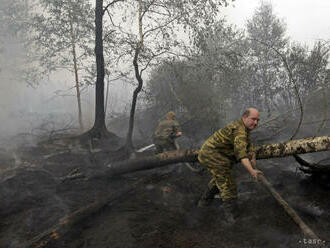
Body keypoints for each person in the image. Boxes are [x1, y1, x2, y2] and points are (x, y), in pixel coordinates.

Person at [197, 108, 263, 223]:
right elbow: (241, 155)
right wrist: (252, 171)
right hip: (211, 154)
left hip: (220, 155)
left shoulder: (244, 128)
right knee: (228, 184)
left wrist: (252, 156)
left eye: (258, 120)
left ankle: (203, 203)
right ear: (244, 117)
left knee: (219, 179)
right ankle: (231, 218)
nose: (256, 123)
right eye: (253, 119)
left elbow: (248, 145)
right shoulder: (239, 130)